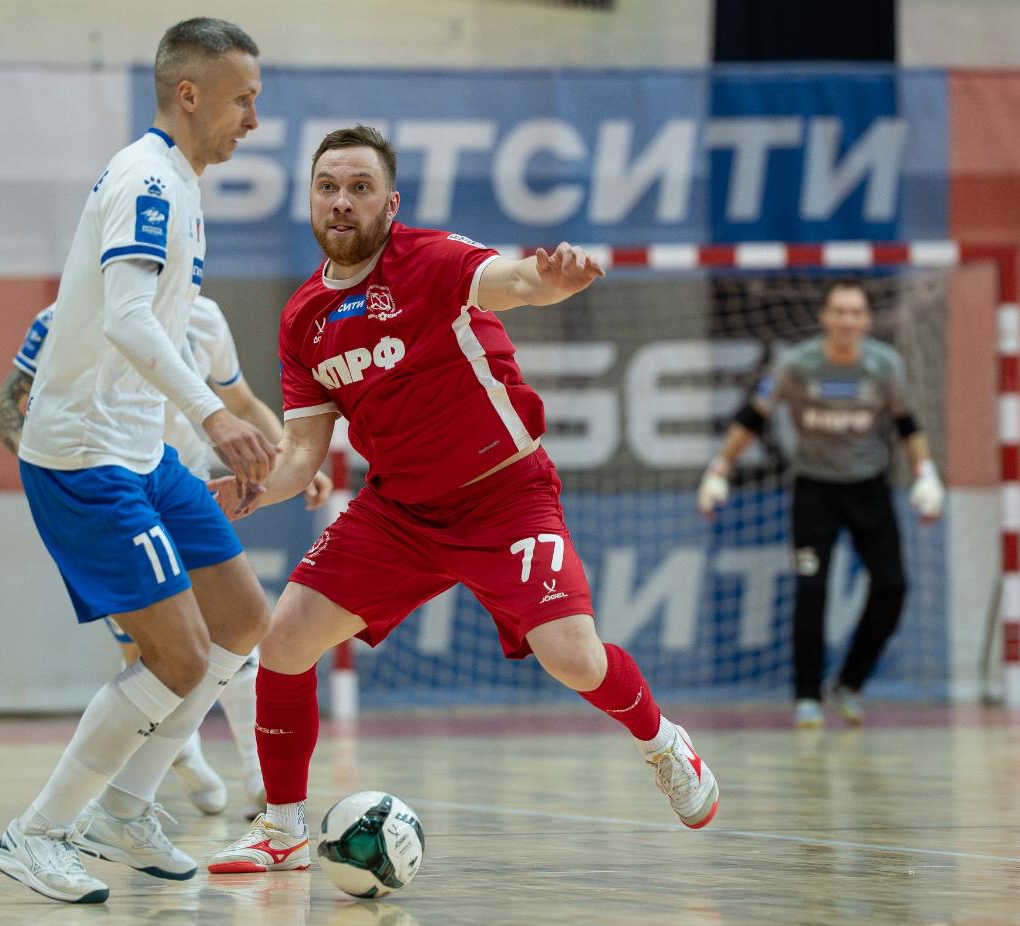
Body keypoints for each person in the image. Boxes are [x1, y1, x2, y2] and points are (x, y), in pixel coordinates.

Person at [205, 125, 721, 875]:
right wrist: (256, 486)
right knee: (285, 640)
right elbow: (304, 455)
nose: (342, 201)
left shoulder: (432, 259)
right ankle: (282, 828)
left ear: (391, 203)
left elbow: (517, 282)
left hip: (505, 495)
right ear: (310, 201)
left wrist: (554, 279)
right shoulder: (303, 319)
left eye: (359, 188)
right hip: (400, 512)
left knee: (573, 657)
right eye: (327, 187)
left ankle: (663, 741)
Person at [0, 17, 274, 905]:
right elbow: (125, 318)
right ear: (189, 94)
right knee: (180, 655)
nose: (253, 121)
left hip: (141, 449)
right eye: (242, 100)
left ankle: (125, 807)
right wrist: (214, 416)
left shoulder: (181, 182)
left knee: (242, 618)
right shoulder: (146, 178)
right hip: (86, 456)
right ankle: (37, 832)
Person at [0, 296, 333, 819]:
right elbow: (5, 409)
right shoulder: (67, 314)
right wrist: (60, 476)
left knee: (238, 626)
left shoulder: (203, 314)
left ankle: (256, 779)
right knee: (156, 653)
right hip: (111, 495)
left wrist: (291, 462)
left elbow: (240, 403)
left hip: (184, 487)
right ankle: (167, 767)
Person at [697, 280, 944, 728]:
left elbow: (908, 424)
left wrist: (926, 474)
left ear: (866, 320)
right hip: (815, 490)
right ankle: (806, 698)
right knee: (811, 589)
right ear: (825, 317)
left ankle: (848, 684)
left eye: (855, 312)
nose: (847, 320)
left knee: (893, 586)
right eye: (839, 311)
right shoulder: (797, 365)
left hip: (869, 488)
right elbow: (753, 416)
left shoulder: (884, 365)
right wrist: (718, 470)